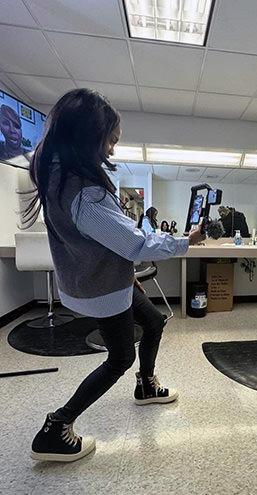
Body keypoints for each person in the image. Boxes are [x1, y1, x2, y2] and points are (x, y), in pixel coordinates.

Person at [21, 88, 205, 463]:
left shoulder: (55, 175)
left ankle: (147, 387)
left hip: (98, 280)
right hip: (102, 289)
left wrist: (125, 269)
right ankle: (57, 426)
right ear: (88, 136)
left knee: (153, 322)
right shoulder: (86, 192)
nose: (112, 150)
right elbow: (136, 244)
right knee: (119, 357)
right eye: (110, 140)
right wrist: (185, 242)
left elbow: (100, 241)